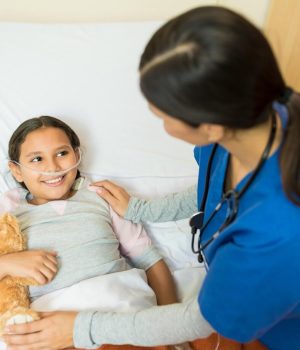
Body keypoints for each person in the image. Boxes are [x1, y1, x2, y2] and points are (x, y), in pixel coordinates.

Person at [3, 5, 300, 350]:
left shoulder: (280, 230)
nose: (156, 120)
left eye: (162, 114)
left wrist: (82, 328)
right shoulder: (236, 134)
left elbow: (199, 319)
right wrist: (142, 209)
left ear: (209, 125)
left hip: (270, 327)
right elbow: (215, 190)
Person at [0, 116, 178, 345]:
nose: (52, 167)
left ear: (77, 154)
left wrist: (172, 330)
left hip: (118, 308)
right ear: (16, 171)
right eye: (37, 159)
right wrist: (7, 263)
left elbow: (150, 260)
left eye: (62, 153)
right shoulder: (9, 212)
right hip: (52, 323)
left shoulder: (101, 196)